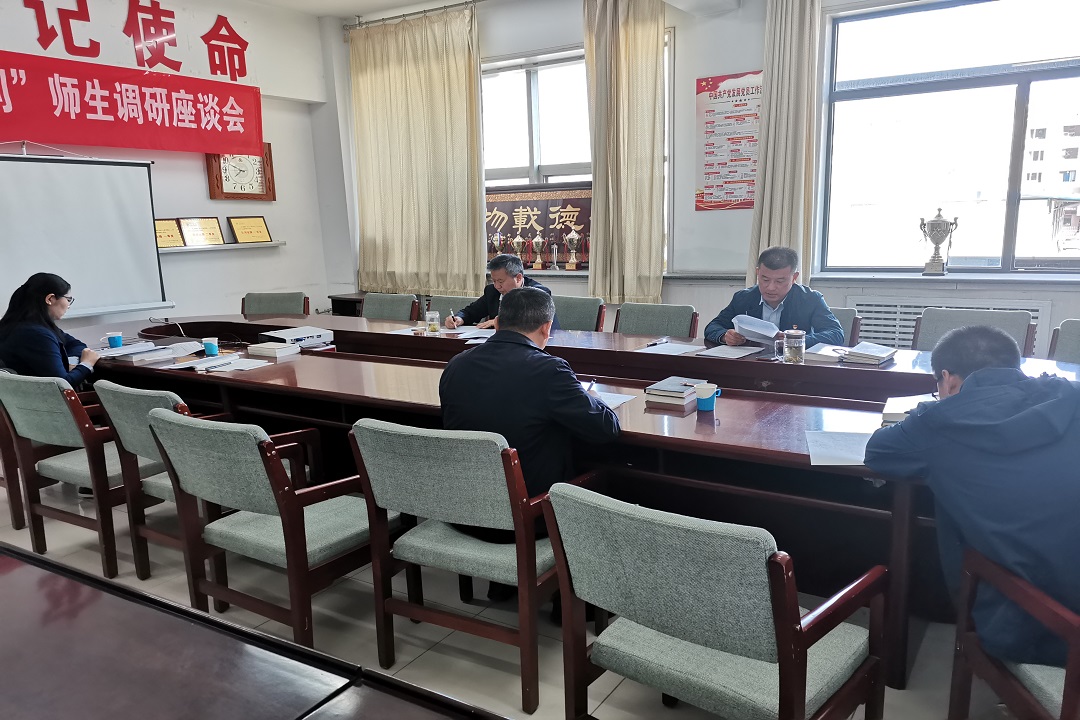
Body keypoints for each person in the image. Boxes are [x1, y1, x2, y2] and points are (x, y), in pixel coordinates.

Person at [864, 326, 1080, 667]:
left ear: (948, 380)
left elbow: (878, 452)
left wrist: (924, 411)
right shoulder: (1071, 395)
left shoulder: (938, 423)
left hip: (1031, 626)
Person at [440, 287, 620, 602]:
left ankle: (504, 583)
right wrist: (590, 396)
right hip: (527, 518)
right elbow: (607, 429)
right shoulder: (549, 369)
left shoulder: (456, 364)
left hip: (465, 512)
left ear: (497, 323)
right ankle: (576, 599)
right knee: (604, 476)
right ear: (547, 328)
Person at [703, 248, 844, 347]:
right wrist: (725, 336)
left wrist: (796, 340)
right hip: (751, 365)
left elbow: (836, 334)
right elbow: (712, 327)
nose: (770, 287)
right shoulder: (743, 298)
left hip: (792, 368)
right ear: (757, 273)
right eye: (765, 279)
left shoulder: (810, 299)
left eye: (780, 281)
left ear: (794, 277)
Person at [0, 273, 99, 386]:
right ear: (50, 299)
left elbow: (77, 345)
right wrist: (86, 364)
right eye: (68, 299)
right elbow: (61, 384)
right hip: (44, 396)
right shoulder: (38, 334)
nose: (68, 306)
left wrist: (67, 362)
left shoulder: (15, 325)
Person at [444, 254, 560, 331]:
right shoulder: (492, 291)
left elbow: (532, 323)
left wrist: (500, 322)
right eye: (494, 281)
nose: (497, 286)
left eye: (500, 281)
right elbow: (471, 311)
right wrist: (459, 318)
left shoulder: (538, 293)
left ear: (518, 278)